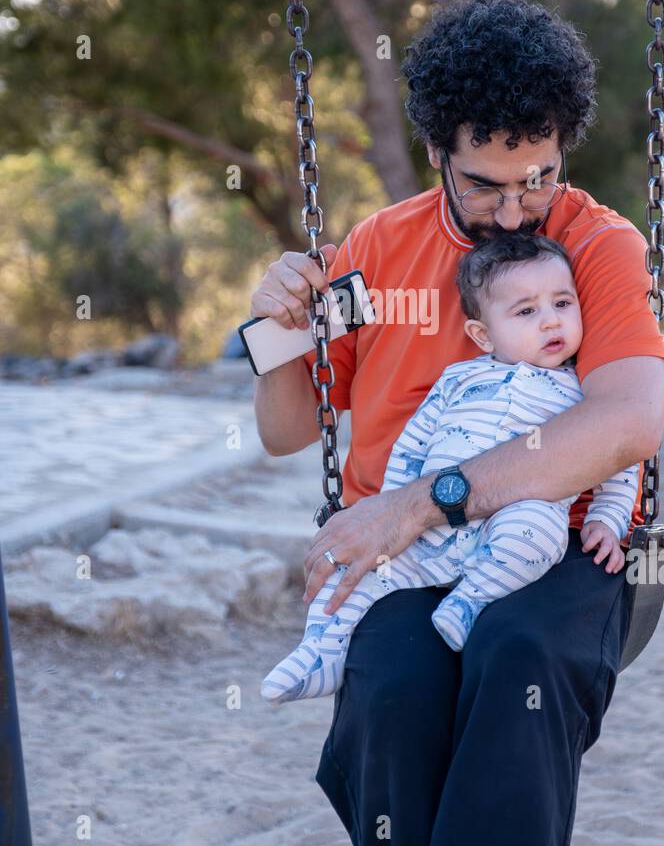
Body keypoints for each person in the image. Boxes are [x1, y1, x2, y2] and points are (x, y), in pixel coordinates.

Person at [251, 0, 664, 846]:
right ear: (439, 149)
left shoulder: (598, 246)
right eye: (487, 185)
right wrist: (276, 328)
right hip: (413, 561)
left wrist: (425, 499)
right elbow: (285, 430)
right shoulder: (374, 251)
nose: (518, 209)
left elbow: (629, 418)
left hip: (563, 543)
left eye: (540, 177)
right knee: (392, 697)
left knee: (518, 659)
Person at [261, 232, 639, 704]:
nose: (550, 322)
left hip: (508, 532)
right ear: (482, 335)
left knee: (538, 530)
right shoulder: (379, 261)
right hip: (425, 535)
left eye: (563, 304)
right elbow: (401, 444)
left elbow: (620, 456)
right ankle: (319, 652)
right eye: (526, 312)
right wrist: (274, 330)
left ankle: (468, 601)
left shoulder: (579, 386)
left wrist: (608, 518)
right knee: (356, 584)